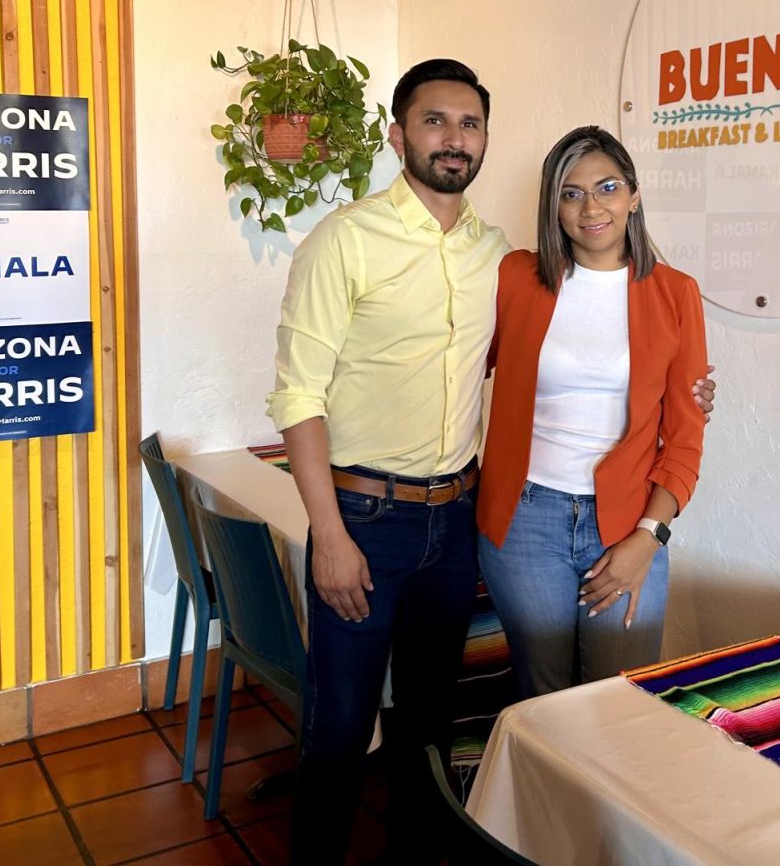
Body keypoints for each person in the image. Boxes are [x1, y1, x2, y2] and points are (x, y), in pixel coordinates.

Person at [269, 65, 711, 864]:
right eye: (434, 122)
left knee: (437, 725)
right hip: (384, 516)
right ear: (398, 134)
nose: (453, 138)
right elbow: (304, 392)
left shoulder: (501, 259)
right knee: (342, 730)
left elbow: (661, 411)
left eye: (468, 124)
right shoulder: (370, 244)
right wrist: (326, 529)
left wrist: (685, 420)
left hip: (461, 517)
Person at [478, 125, 708, 697]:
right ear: (553, 206)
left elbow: (684, 438)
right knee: (543, 698)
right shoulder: (515, 279)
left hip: (629, 522)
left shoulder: (676, 294)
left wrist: (647, 539)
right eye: (571, 192)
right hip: (524, 519)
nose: (591, 207)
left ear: (634, 194)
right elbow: (455, 367)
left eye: (607, 187)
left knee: (620, 701)